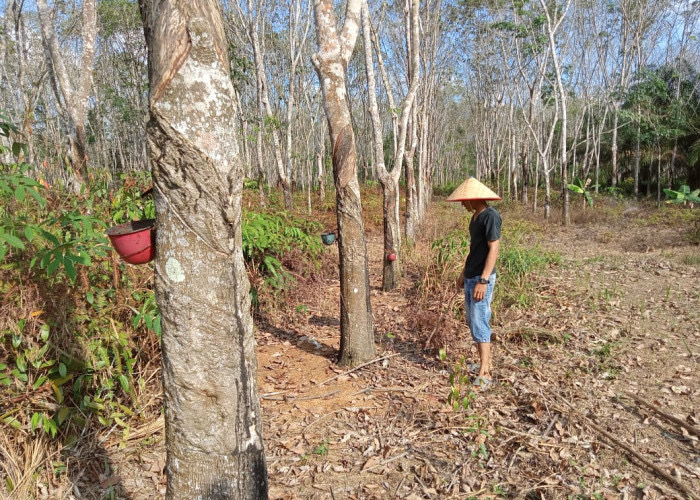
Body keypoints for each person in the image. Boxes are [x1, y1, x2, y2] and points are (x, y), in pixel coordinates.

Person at [447, 177, 501, 390]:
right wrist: (463, 273)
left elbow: (493, 249)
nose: (462, 204)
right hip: (471, 276)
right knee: (473, 321)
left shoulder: (491, 216)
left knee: (480, 322)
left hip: (481, 279)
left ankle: (485, 371)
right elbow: (474, 249)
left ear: (475, 198)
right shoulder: (475, 218)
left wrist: (484, 280)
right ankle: (483, 362)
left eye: (465, 200)